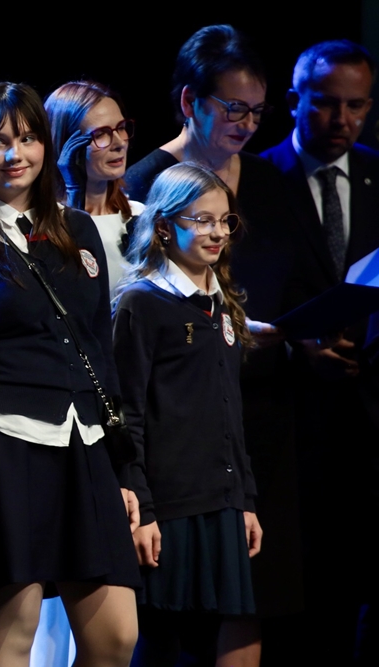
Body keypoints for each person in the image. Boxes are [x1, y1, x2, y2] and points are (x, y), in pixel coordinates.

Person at [0, 81, 139, 667]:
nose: (15, 154)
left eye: (28, 138)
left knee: (117, 637)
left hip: (86, 444)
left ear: (46, 146)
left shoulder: (77, 229)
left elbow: (100, 351)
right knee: (13, 636)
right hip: (6, 448)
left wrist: (126, 471)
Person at [123, 25, 306, 664]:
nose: (247, 124)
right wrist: (143, 504)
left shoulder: (266, 189)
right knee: (166, 631)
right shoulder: (143, 288)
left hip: (239, 460)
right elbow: (129, 406)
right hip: (171, 479)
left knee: (231, 612)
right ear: (189, 102)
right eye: (233, 108)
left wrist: (244, 501)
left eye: (257, 112)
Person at [112, 162, 262, 666]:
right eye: (202, 221)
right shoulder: (141, 304)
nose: (218, 232)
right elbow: (127, 416)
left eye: (224, 221)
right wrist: (143, 510)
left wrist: (244, 500)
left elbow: (229, 413)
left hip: (220, 502)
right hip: (169, 507)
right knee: (159, 641)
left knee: (208, 642)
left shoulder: (222, 305)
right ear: (163, 226)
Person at [261, 39, 379, 664]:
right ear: (293, 100)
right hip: (289, 413)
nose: (342, 120)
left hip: (367, 411)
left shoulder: (378, 174)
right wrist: (300, 348)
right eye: (327, 103)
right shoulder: (257, 179)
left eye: (357, 106)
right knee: (294, 590)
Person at [45, 81, 144, 291]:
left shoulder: (140, 215)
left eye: (121, 128)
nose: (119, 143)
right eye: (100, 134)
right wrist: (74, 190)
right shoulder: (44, 224)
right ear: (66, 146)